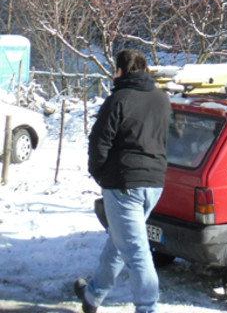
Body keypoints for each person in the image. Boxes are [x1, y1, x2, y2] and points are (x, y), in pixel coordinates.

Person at [74, 48, 171, 313]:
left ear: (120, 71)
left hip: (124, 185)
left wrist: (100, 174)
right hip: (154, 184)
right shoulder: (162, 99)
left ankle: (147, 308)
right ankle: (93, 296)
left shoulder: (118, 99)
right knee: (121, 241)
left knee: (137, 253)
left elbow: (99, 141)